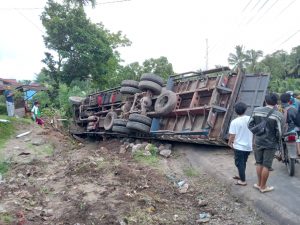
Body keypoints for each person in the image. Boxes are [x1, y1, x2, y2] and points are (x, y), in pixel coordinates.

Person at [248, 93, 284, 193]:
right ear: (277, 102)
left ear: (265, 100)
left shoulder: (256, 110)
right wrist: (277, 142)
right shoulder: (278, 115)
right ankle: (263, 187)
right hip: (270, 144)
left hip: (258, 141)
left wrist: (258, 133)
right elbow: (280, 133)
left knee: (259, 163)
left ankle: (259, 184)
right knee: (266, 165)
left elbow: (249, 124)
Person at [228, 102, 253, 186]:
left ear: (235, 111)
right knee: (243, 162)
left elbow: (232, 135)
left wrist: (229, 143)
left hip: (239, 146)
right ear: (245, 110)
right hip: (248, 146)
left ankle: (243, 181)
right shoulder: (250, 119)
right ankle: (241, 175)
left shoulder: (234, 122)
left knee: (239, 163)